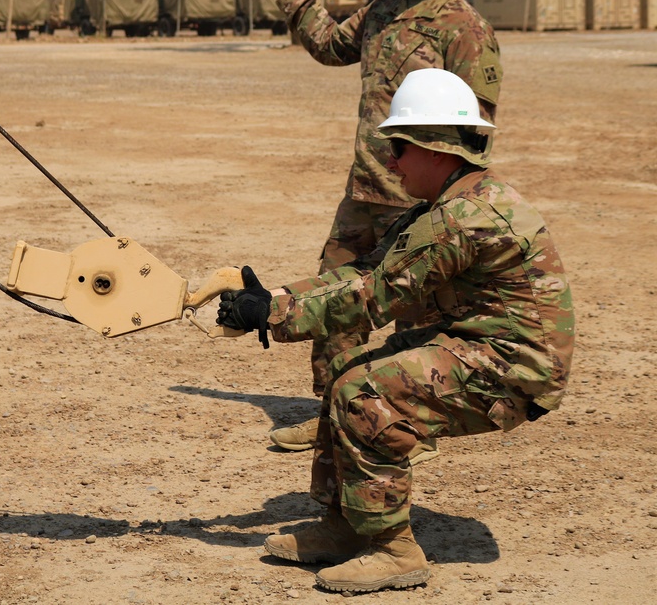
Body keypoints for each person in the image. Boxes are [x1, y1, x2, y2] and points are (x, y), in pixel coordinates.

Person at [216, 68, 575, 593]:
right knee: (346, 368)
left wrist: (269, 316)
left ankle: (394, 550)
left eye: (399, 147)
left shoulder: (463, 218)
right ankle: (345, 525)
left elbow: (373, 297)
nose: (389, 160)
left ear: (436, 150)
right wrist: (273, 298)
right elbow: (363, 272)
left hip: (515, 372)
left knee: (368, 393)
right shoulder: (446, 204)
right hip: (481, 344)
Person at [269, 0, 503, 453]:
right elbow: (328, 45)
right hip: (365, 192)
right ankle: (332, 415)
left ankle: (396, 418)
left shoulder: (466, 32)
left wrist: (443, 208)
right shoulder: (383, 11)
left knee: (414, 322)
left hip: (420, 203)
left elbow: (473, 133)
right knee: (332, 305)